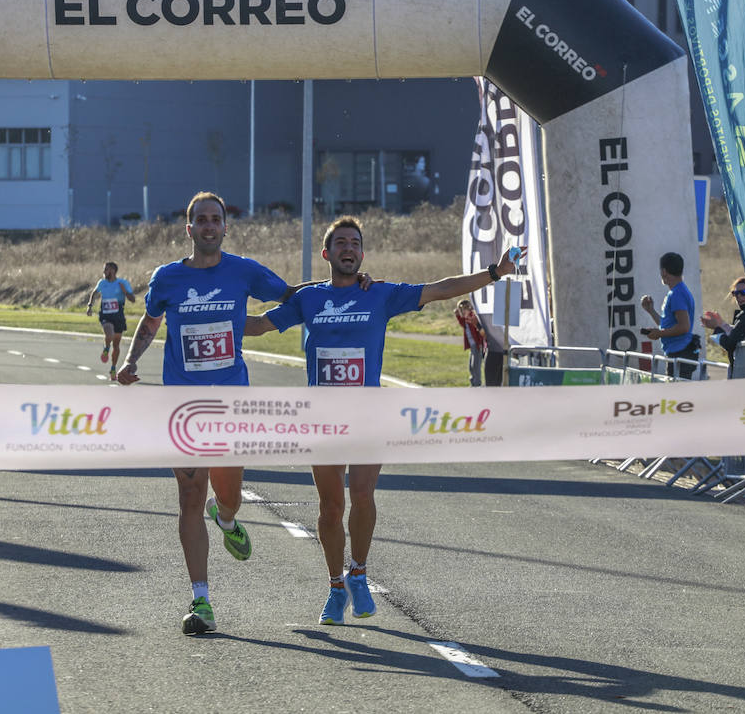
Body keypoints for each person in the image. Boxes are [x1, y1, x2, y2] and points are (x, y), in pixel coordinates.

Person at [245, 215, 520, 625]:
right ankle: (335, 586)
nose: (348, 248)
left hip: (368, 418)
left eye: (355, 242)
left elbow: (442, 289)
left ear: (362, 252)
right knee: (329, 505)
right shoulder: (310, 300)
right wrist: (195, 320)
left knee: (362, 496)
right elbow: (260, 326)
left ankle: (358, 571)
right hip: (323, 420)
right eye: (340, 243)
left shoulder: (382, 294)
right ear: (327, 253)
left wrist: (494, 272)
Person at [116, 191, 322, 636]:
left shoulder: (243, 271)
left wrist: (342, 287)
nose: (209, 226)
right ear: (188, 228)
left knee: (227, 495)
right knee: (190, 495)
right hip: (183, 407)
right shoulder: (167, 278)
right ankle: (201, 600)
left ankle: (226, 517)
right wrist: (130, 360)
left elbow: (289, 294)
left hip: (231, 405)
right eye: (201, 220)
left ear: (225, 227)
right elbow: (151, 323)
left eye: (216, 219)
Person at [640, 252, 701, 380]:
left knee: (678, 397)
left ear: (664, 271)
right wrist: (651, 310)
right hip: (678, 353)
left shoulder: (677, 294)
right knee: (676, 397)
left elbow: (684, 327)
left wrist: (659, 334)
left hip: (680, 354)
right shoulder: (676, 292)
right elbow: (668, 325)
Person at [85, 261, 135, 380]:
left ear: (113, 270)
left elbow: (132, 299)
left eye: (106, 269)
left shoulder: (122, 283)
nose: (104, 272)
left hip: (118, 316)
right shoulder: (102, 283)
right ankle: (106, 348)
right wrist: (90, 306)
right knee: (109, 333)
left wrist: (125, 292)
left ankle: (113, 368)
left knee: (116, 345)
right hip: (105, 315)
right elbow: (94, 293)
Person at [700, 276, 745, 364]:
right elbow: (738, 333)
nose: (739, 296)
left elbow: (730, 344)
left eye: (744, 292)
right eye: (735, 293)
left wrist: (717, 329)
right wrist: (722, 324)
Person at [453, 299, 487, 387]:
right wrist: (457, 315)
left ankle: (477, 383)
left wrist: (480, 344)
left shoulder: (472, 317)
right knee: (471, 366)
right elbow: (462, 323)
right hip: (472, 346)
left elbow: (479, 332)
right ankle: (473, 381)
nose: (462, 312)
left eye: (463, 310)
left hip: (477, 345)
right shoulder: (466, 318)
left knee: (475, 365)